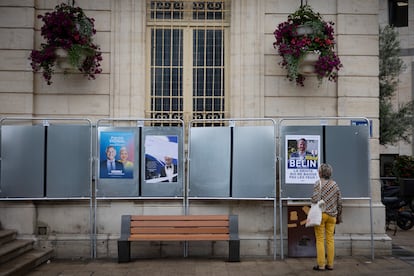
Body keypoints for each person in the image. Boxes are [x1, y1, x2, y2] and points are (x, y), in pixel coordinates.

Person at [311, 163, 342, 271]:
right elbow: (339, 202)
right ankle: (330, 264)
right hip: (332, 216)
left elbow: (314, 200)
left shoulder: (317, 184)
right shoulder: (335, 185)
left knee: (320, 239)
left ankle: (321, 265)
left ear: (320, 173)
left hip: (321, 215)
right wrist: (339, 217)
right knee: (330, 239)